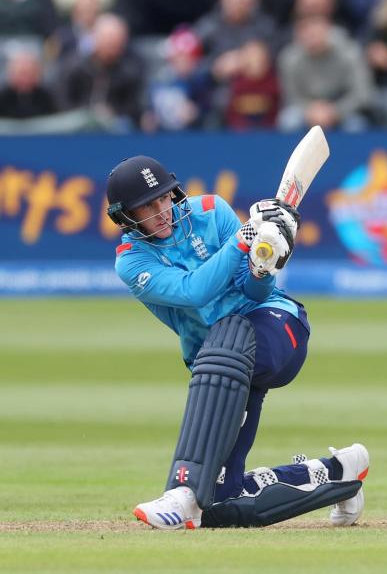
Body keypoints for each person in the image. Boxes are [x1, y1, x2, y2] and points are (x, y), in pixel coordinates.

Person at [106, 155, 369, 530]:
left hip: (276, 327)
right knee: (220, 507)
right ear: (125, 217)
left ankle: (181, 491)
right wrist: (244, 239)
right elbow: (193, 291)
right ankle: (339, 474)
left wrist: (265, 263)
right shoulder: (131, 261)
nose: (162, 210)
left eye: (165, 198)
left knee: (227, 340)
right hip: (221, 367)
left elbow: (257, 290)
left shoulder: (212, 210)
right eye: (148, 206)